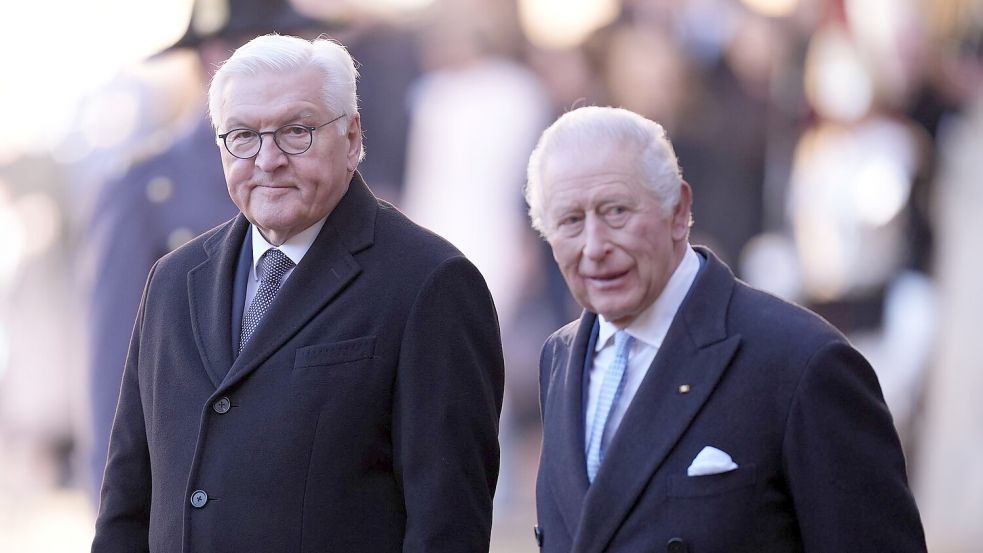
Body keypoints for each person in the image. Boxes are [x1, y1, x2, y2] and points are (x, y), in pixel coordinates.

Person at [91, 34, 504, 552]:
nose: (268, 159)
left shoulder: (430, 283)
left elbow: (448, 528)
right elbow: (127, 503)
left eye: (296, 131)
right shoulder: (173, 280)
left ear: (351, 137)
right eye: (243, 135)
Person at [525, 106, 925, 552]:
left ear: (679, 211)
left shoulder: (800, 362)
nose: (594, 246)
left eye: (616, 211)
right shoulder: (559, 358)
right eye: (571, 221)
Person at [79, 0, 329, 503]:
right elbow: (117, 364)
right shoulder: (146, 186)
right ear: (210, 58)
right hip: (197, 483)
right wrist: (117, 506)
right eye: (251, 49)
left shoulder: (327, 173)